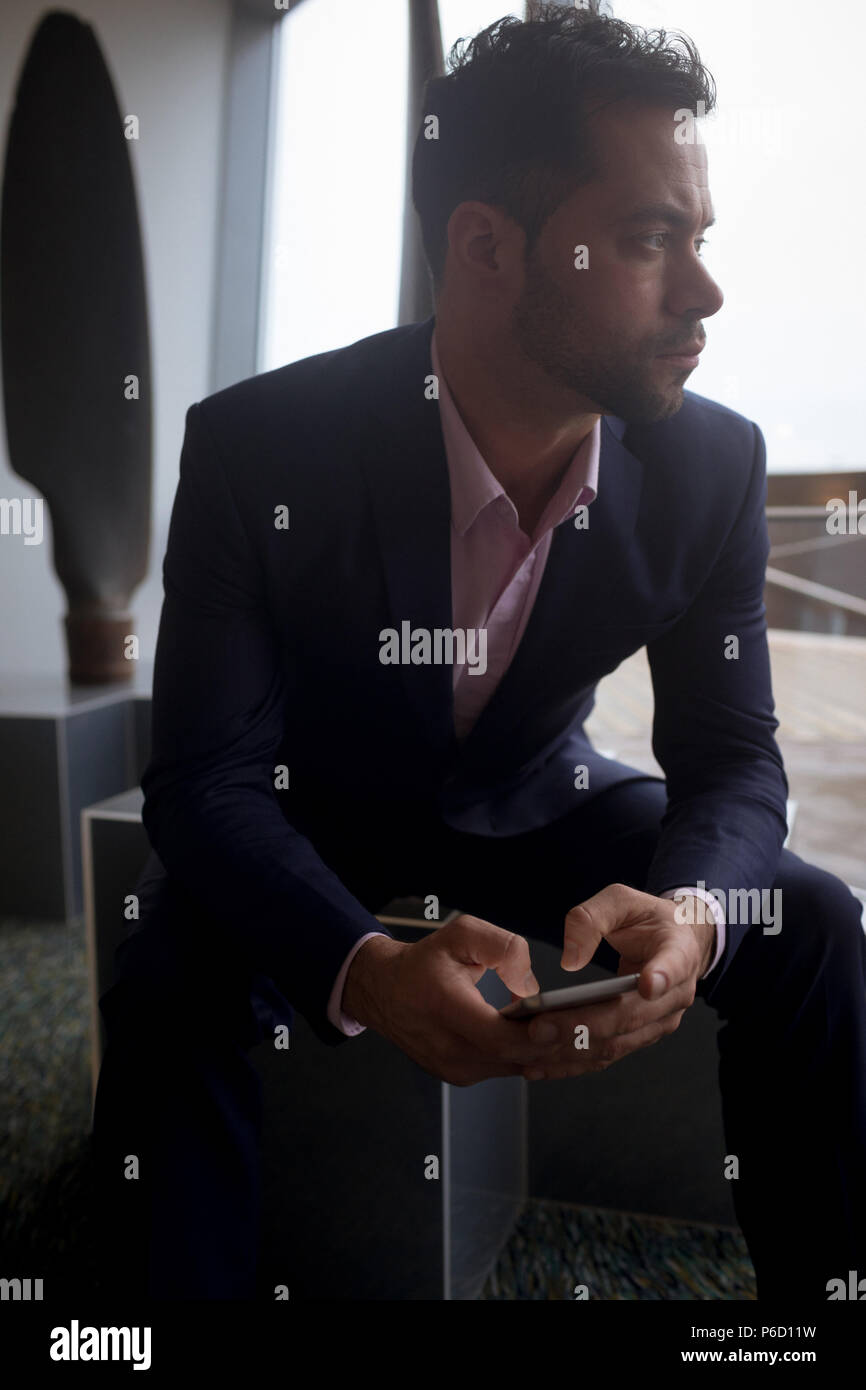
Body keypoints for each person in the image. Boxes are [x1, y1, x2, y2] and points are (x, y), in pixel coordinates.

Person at [92, 4, 866, 1301]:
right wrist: (361, 963)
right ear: (485, 245)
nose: (704, 291)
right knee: (167, 974)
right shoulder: (259, 448)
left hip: (540, 795)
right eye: (646, 238)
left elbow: (730, 757)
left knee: (813, 919)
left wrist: (690, 913)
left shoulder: (709, 461)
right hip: (314, 816)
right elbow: (207, 781)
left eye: (701, 237)